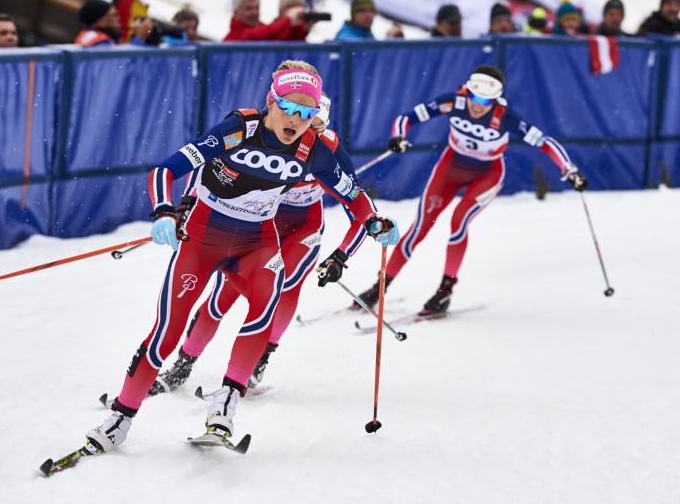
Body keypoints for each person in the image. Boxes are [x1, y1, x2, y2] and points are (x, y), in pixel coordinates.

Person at [83, 60, 400, 453]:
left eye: (308, 113)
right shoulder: (238, 130)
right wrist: (168, 209)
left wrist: (373, 221)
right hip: (204, 237)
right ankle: (120, 417)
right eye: (289, 107)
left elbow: (353, 195)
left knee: (264, 308)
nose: (298, 119)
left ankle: (225, 407)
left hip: (259, 241)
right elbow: (167, 169)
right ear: (272, 101)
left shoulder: (314, 149)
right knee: (166, 331)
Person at [149, 94, 368, 395]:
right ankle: (184, 363)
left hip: (302, 227)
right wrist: (187, 203)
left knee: (284, 286)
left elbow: (357, 208)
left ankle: (259, 358)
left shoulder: (326, 149)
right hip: (259, 223)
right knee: (220, 297)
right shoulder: (263, 134)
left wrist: (341, 256)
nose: (304, 132)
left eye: (313, 125)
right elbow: (209, 164)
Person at [351, 65, 588, 317]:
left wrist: (569, 169)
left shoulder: (505, 116)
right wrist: (398, 136)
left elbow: (545, 142)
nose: (478, 105)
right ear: (468, 91)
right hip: (451, 167)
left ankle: (445, 291)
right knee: (420, 226)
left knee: (459, 221)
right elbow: (406, 117)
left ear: (495, 99)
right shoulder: (454, 102)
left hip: (487, 175)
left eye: (485, 100)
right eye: (475, 97)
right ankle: (381, 285)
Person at [223, 0, 309, 41]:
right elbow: (255, 35)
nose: (254, 12)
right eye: (248, 9)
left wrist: (301, 28)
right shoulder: (234, 36)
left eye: (257, 8)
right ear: (235, 12)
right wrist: (288, 19)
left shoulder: (264, 29)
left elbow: (284, 40)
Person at [74, 0, 152, 46]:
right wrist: (140, 38)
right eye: (114, 15)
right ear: (101, 21)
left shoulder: (88, 36)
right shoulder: (101, 44)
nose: (119, 18)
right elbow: (124, 67)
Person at [334, 0, 402, 40]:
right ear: (353, 15)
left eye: (371, 10)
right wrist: (389, 41)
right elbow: (360, 50)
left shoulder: (367, 34)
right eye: (362, 11)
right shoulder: (344, 36)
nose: (368, 15)